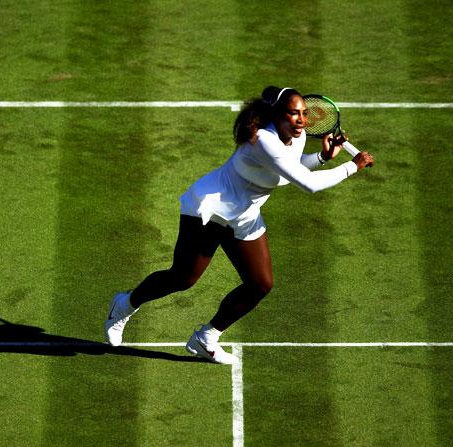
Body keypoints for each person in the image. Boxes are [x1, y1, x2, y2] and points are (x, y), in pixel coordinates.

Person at [104, 86, 374, 364]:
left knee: (260, 283)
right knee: (183, 279)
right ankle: (125, 304)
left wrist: (321, 158)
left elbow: (287, 169)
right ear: (276, 115)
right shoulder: (264, 140)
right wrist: (351, 166)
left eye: (304, 114)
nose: (301, 120)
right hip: (211, 208)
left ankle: (206, 338)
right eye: (294, 114)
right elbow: (307, 184)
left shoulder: (299, 136)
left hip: (245, 213)